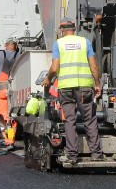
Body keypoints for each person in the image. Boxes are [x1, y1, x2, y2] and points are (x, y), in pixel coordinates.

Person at [42, 18, 104, 164]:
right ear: (74, 29)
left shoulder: (59, 44)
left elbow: (55, 67)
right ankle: (96, 154)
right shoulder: (85, 42)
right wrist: (97, 84)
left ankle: (72, 155)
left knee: (70, 120)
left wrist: (48, 79)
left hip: (66, 88)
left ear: (62, 30)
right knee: (89, 119)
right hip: (84, 88)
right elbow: (94, 66)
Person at [0, 39, 19, 148]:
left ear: (5, 45)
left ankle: (6, 138)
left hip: (1, 90)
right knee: (12, 117)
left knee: (2, 116)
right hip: (15, 90)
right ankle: (10, 140)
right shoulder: (20, 55)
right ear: (15, 46)